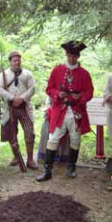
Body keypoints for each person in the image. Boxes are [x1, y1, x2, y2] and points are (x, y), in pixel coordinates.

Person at [36, 41, 94, 181]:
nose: (71, 58)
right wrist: (57, 94)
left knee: (75, 139)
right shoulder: (57, 70)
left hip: (76, 112)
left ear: (78, 56)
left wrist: (79, 97)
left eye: (74, 56)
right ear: (66, 55)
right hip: (59, 111)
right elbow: (49, 88)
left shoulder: (84, 74)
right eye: (69, 55)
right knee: (53, 138)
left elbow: (89, 92)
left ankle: (71, 167)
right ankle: (48, 170)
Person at [0, 51, 38, 170]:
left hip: (24, 107)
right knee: (11, 132)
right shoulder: (3, 75)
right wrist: (12, 98)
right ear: (10, 62)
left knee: (29, 132)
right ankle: (16, 156)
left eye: (18, 60)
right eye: (14, 60)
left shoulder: (27, 74)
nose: (17, 62)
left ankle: (30, 160)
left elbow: (32, 88)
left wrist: (22, 99)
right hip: (9, 107)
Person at [37, 96, 69, 162]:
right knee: (46, 133)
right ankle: (45, 155)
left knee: (64, 137)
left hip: (65, 115)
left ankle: (62, 156)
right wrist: (52, 110)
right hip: (51, 114)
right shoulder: (52, 91)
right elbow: (48, 102)